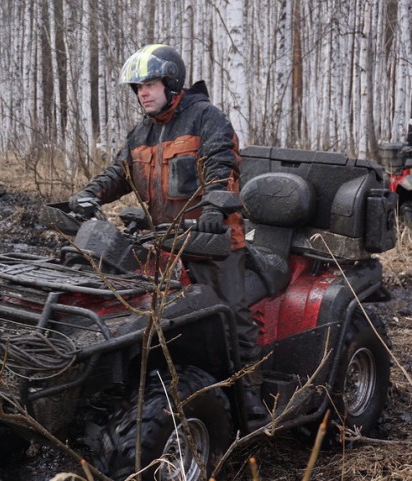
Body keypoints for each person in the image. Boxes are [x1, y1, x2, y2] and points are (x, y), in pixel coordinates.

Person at [68, 44, 268, 422]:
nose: (142, 92)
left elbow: (222, 162)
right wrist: (89, 193)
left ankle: (250, 393)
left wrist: (214, 206)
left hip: (213, 241)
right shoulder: (142, 132)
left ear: (171, 83)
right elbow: (119, 173)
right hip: (161, 241)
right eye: (137, 87)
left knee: (233, 314)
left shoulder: (205, 117)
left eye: (149, 84)